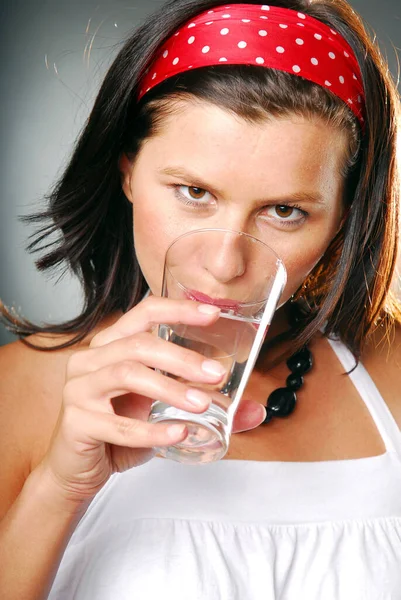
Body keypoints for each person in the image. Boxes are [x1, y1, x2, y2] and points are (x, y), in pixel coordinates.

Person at [1, 0, 401, 597]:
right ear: (129, 172)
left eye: (285, 211)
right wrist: (61, 487)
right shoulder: (18, 391)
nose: (225, 263)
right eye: (194, 192)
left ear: (343, 219)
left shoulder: (392, 371)